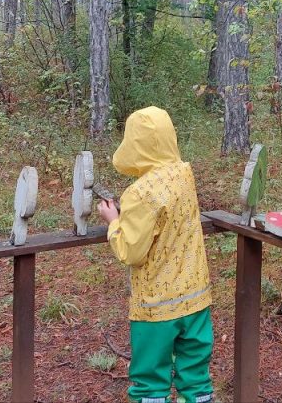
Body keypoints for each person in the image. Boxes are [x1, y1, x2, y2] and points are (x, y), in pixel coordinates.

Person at [97, 106, 214, 403]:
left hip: (156, 306)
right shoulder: (184, 175)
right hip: (196, 300)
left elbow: (131, 251)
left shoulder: (139, 193)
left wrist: (114, 222)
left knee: (150, 384)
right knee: (196, 379)